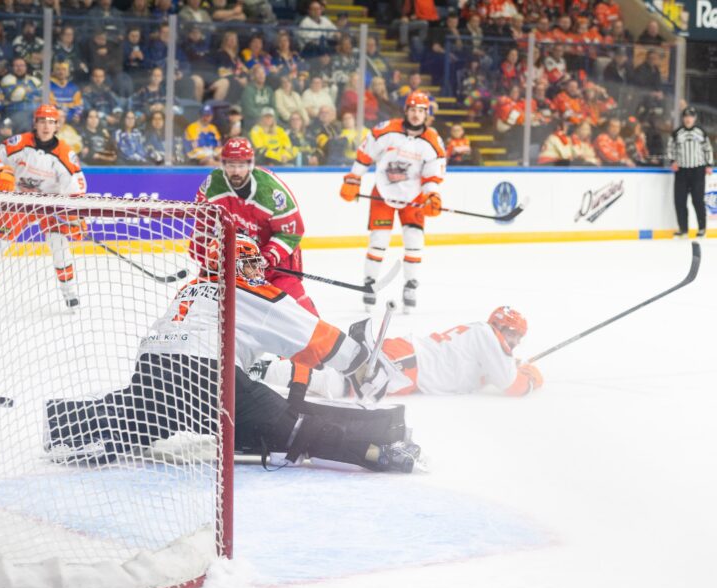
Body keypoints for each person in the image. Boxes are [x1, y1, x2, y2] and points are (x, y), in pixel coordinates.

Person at [38, 235, 419, 473]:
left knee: (144, 422)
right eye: (250, 261)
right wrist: (360, 362)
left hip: (151, 366)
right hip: (204, 376)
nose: (257, 269)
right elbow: (315, 338)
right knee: (290, 428)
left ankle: (65, 423)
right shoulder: (252, 293)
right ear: (234, 264)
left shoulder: (194, 287)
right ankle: (377, 449)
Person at [257, 306, 543, 399]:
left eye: (517, 337)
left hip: (407, 360)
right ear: (499, 327)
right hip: (408, 363)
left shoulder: (483, 334)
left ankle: (269, 364)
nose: (513, 342)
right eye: (511, 334)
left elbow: (485, 371)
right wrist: (529, 378)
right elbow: (510, 384)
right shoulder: (489, 337)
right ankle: (264, 369)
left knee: (339, 365)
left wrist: (511, 366)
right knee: (342, 382)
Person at [339, 91, 446, 313]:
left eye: (421, 111)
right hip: (384, 193)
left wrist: (432, 195)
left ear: (426, 114)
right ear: (405, 110)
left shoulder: (433, 142)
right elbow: (364, 156)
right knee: (378, 239)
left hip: (413, 197)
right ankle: (369, 283)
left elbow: (432, 175)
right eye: (413, 109)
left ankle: (410, 286)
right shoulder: (386, 130)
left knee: (414, 239)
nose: (416, 115)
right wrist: (353, 179)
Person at [0, 105, 88, 308]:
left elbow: (75, 189)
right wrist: (1, 172)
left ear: (57, 126)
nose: (46, 126)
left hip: (49, 206)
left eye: (51, 122)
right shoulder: (18, 142)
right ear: (35, 123)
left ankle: (70, 295)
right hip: (18, 203)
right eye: (42, 121)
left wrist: (76, 218)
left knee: (60, 247)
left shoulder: (65, 154)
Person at [195, 137, 314, 314]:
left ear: (250, 164)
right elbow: (202, 228)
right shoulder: (213, 185)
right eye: (231, 165)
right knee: (216, 310)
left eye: (241, 165)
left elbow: (291, 232)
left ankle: (322, 340)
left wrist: (266, 258)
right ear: (223, 164)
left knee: (294, 310)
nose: (236, 171)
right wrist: (208, 261)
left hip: (277, 262)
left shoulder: (271, 191)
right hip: (238, 263)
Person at [667, 106, 713, 238]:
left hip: (697, 170)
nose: (688, 119)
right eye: (686, 116)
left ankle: (702, 228)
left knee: (697, 200)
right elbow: (670, 148)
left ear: (695, 118)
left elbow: (708, 149)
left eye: (691, 116)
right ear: (683, 118)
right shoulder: (677, 133)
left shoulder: (701, 132)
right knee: (679, 200)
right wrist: (672, 161)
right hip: (681, 171)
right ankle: (683, 229)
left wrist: (709, 164)